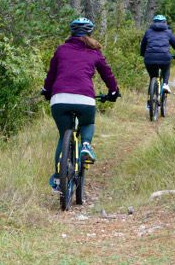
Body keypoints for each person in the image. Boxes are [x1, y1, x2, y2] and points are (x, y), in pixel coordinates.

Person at [42, 17, 120, 193]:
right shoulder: (94, 52)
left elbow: (51, 74)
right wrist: (113, 91)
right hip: (85, 98)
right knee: (87, 123)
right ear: (90, 33)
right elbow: (107, 73)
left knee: (63, 136)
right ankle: (85, 145)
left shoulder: (61, 49)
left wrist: (47, 90)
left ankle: (58, 177)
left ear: (71, 33)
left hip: (59, 98)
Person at [140, 15, 175, 96]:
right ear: (165, 22)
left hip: (149, 58)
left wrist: (143, 54)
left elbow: (143, 45)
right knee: (166, 68)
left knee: (152, 76)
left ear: (153, 22)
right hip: (164, 57)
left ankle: (150, 102)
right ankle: (165, 84)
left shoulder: (148, 32)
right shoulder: (168, 32)